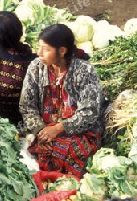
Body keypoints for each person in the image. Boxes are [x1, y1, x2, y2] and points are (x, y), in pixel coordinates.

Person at [19, 24, 105, 178]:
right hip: (46, 128)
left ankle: (65, 183)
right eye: (39, 47)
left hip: (79, 130)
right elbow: (27, 104)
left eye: (46, 49)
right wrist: (40, 131)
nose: (39, 53)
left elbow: (89, 112)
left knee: (70, 151)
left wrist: (58, 128)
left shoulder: (84, 71)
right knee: (44, 148)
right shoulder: (36, 68)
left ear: (62, 51)